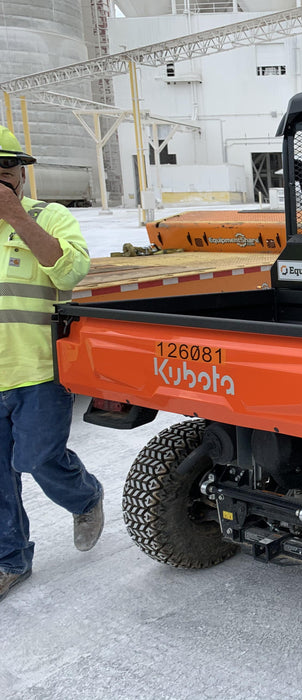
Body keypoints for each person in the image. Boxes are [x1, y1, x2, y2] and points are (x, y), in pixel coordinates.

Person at [0, 125, 103, 602]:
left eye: (8, 166)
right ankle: (11, 561)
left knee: (39, 459)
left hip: (39, 370)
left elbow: (70, 272)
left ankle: (85, 497)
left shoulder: (50, 216)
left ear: (22, 172)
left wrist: (18, 219)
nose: (2, 176)